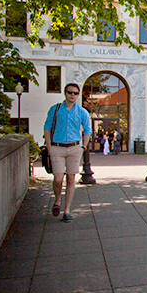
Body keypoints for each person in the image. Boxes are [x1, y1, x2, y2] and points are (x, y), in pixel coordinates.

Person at [43, 83, 92, 223]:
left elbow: (88, 130)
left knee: (71, 179)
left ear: (78, 94)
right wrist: (49, 146)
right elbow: (47, 127)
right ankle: (58, 200)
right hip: (57, 147)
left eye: (75, 93)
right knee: (58, 178)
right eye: (70, 92)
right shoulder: (56, 109)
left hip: (74, 148)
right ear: (65, 93)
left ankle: (67, 210)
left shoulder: (82, 112)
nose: (72, 95)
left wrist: (83, 147)